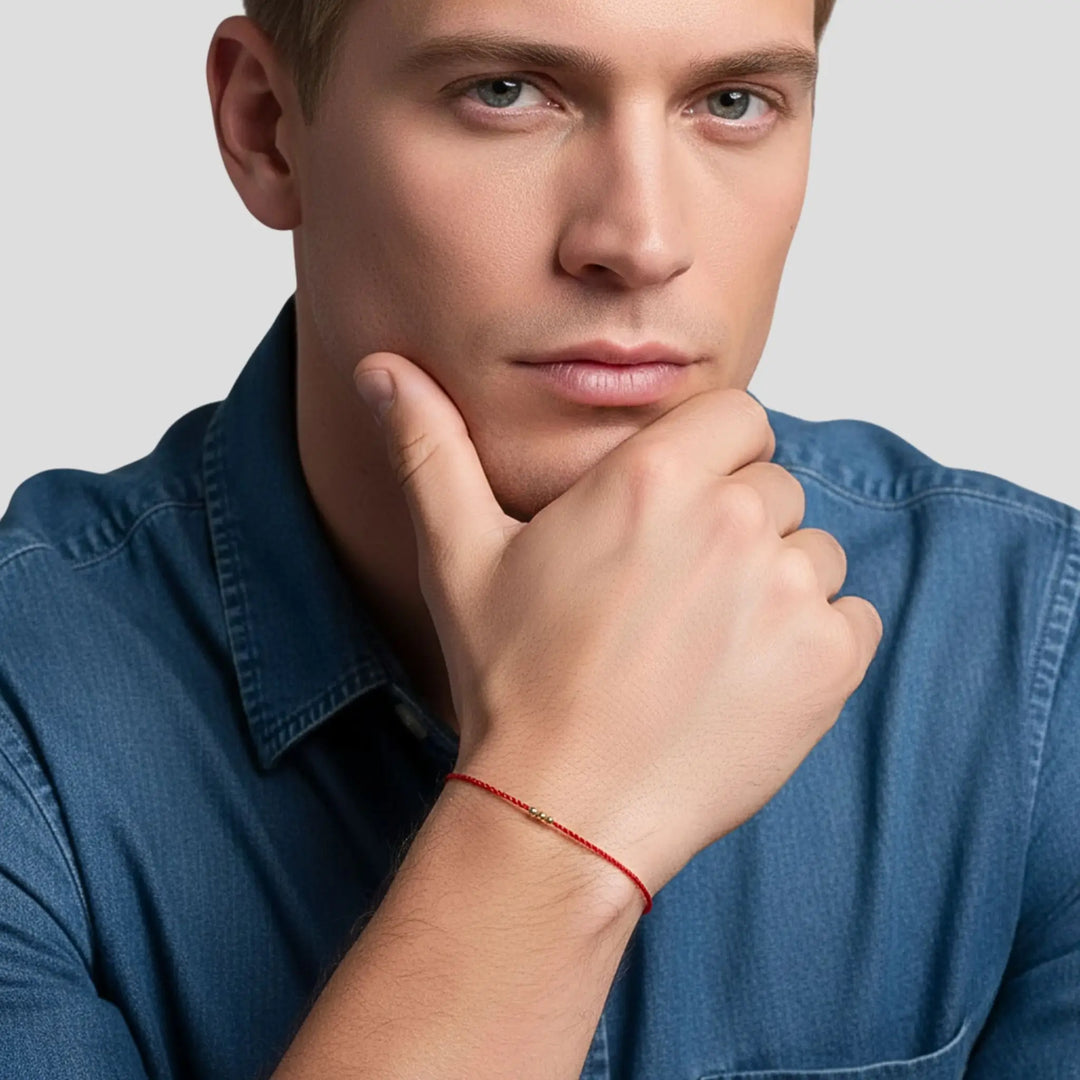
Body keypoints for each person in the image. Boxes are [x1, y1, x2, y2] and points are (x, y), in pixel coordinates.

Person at [1, 0, 1076, 1076]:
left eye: (733, 102)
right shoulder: (30, 723)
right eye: (505, 93)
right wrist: (550, 814)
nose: (642, 243)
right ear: (266, 127)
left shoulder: (1037, 655)